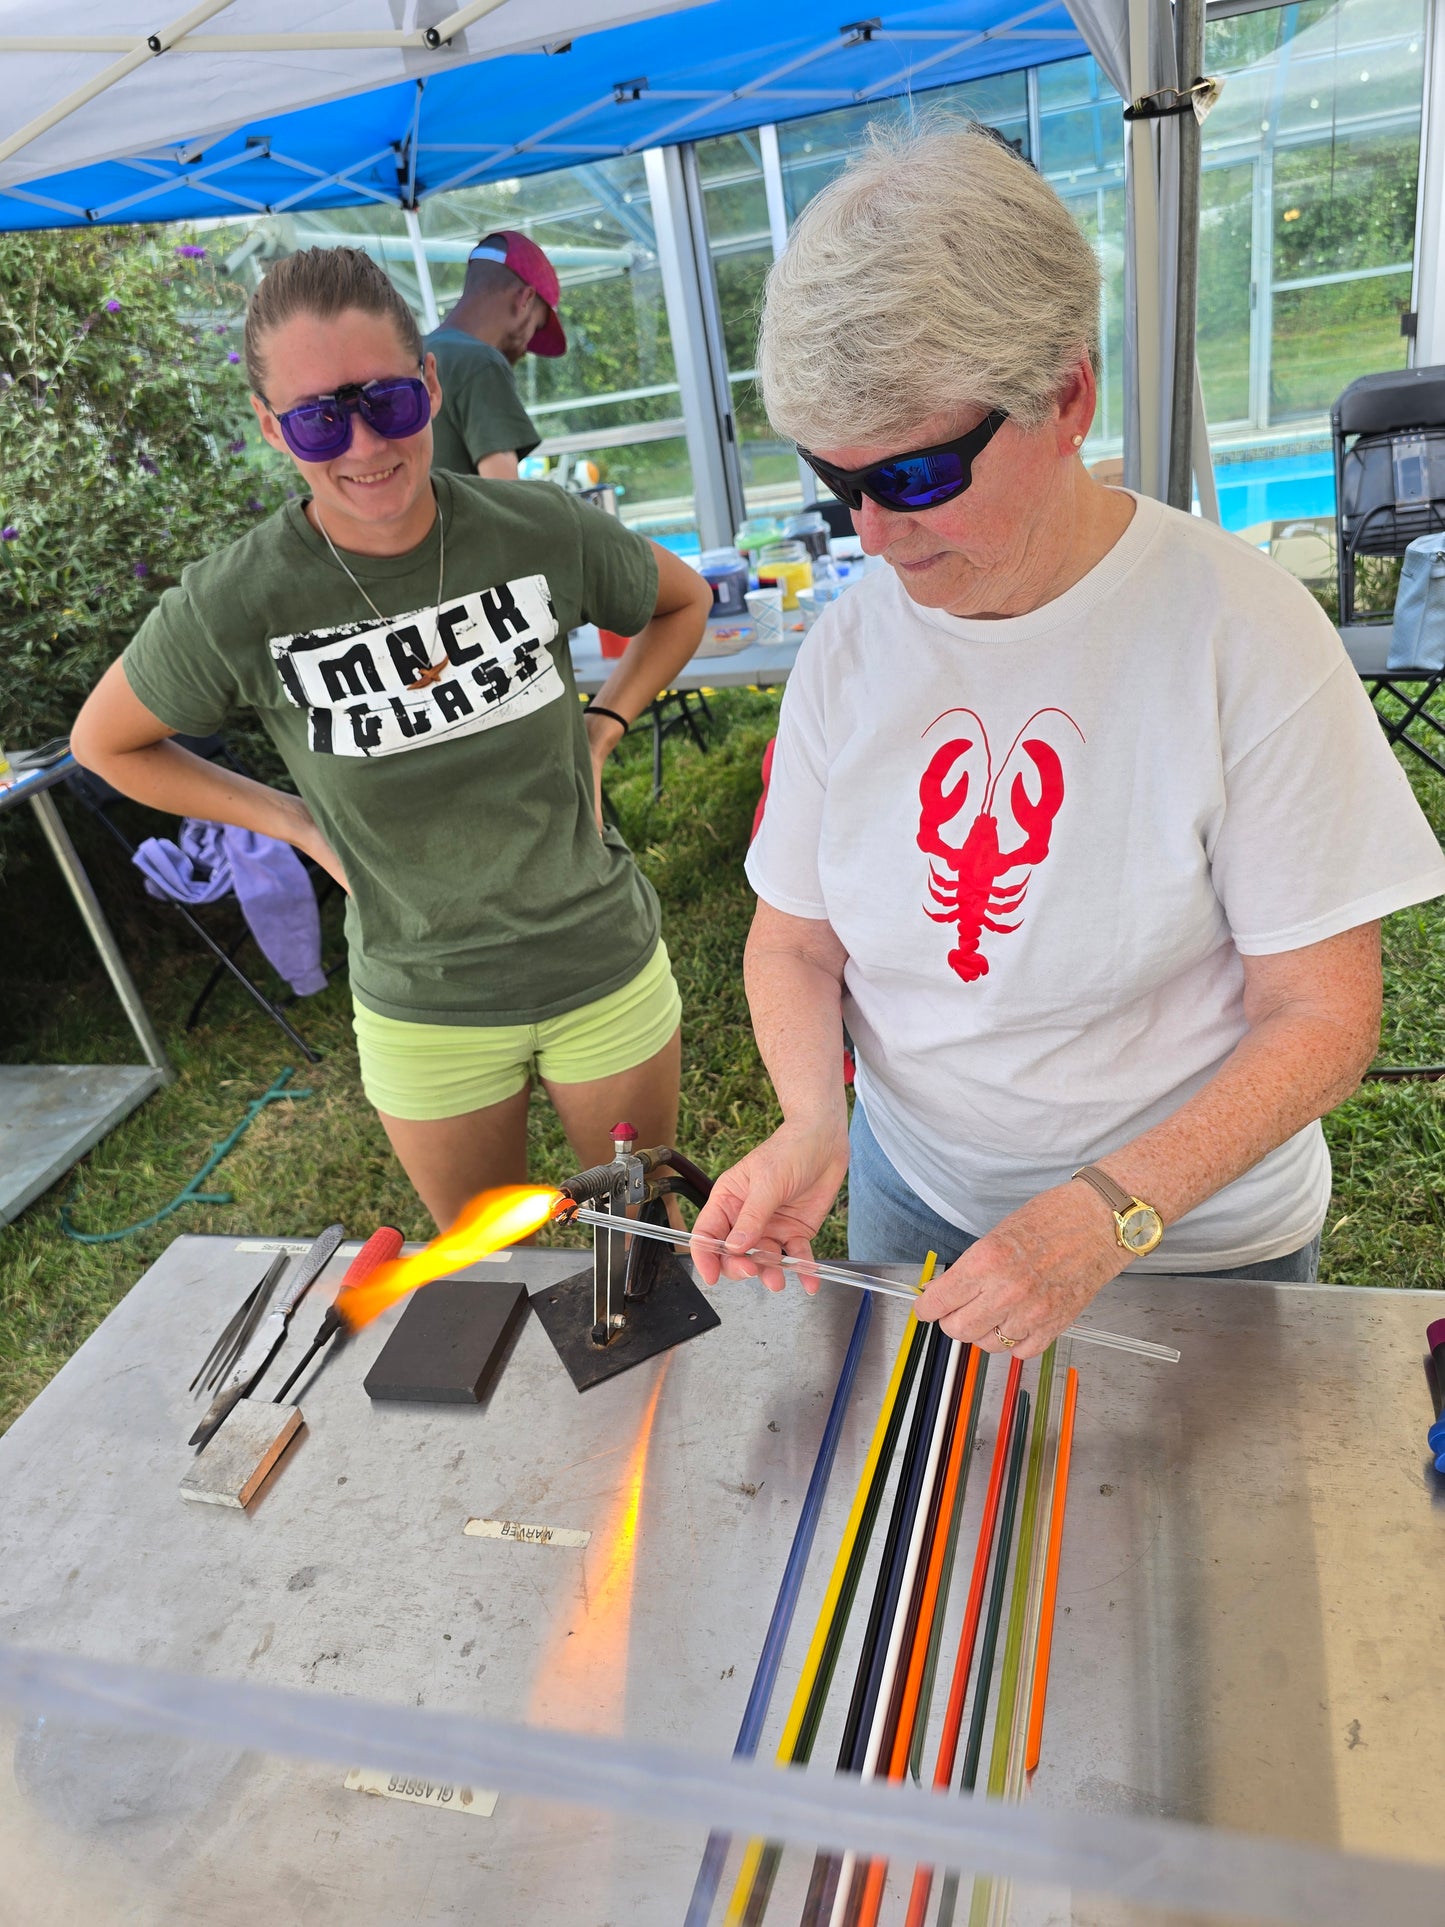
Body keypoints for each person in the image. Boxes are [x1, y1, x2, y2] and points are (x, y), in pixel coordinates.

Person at [691, 125, 1445, 1357]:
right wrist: (810, 1123)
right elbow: (791, 940)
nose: (872, 537)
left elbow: (1319, 1016)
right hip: (910, 1186)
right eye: (837, 485)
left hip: (1185, 1231)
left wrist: (1105, 1211)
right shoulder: (851, 642)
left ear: (1065, 396)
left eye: (919, 476)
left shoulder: (1238, 629)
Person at [71, 246, 712, 1231]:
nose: (364, 443)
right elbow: (108, 743)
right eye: (319, 416)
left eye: (389, 401)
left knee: (643, 1243)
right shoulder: (242, 599)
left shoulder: (534, 527)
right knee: (487, 1268)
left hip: (601, 966)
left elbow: (682, 602)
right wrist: (292, 821)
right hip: (427, 1003)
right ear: (271, 427)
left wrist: (601, 724)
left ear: (429, 383)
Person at [425, 231, 564, 481]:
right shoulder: (481, 363)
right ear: (525, 299)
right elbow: (506, 500)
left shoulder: (413, 353)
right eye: (537, 326)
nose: (526, 349)